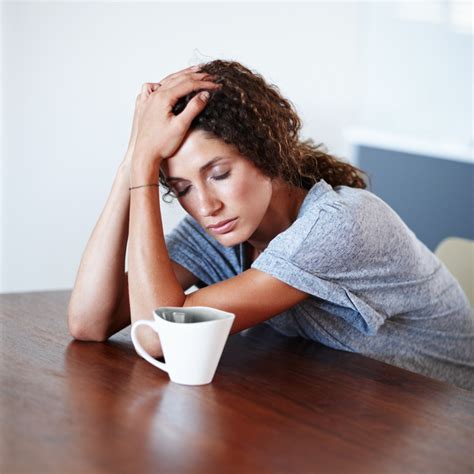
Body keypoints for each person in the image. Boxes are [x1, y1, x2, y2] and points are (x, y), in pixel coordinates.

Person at [68, 60, 474, 390]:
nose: (206, 205)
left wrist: (144, 166)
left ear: (267, 154)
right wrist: (131, 163)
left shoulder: (338, 224)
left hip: (447, 423)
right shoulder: (225, 229)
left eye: (219, 174)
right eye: (182, 188)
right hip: (349, 406)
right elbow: (90, 322)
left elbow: (161, 336)